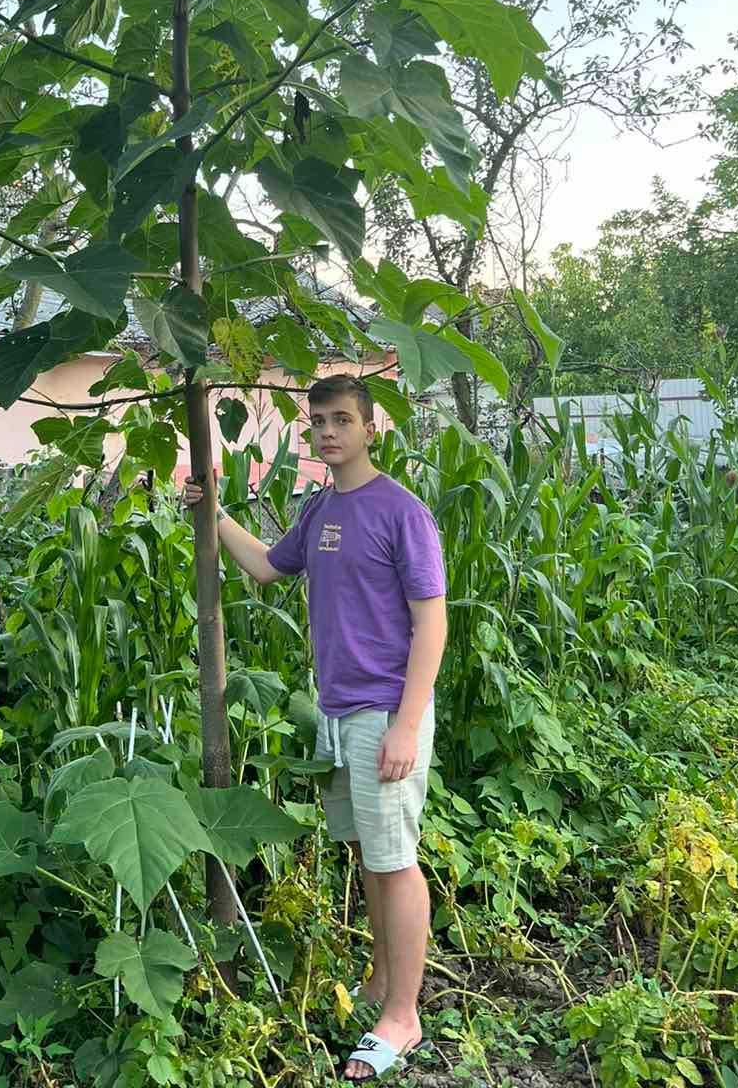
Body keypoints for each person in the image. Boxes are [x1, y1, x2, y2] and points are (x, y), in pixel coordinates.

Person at [185, 374, 447, 1081]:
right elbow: (269, 569)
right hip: (339, 713)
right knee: (369, 854)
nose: (327, 432)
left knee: (394, 862)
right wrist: (212, 511)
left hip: (386, 713)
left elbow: (433, 624)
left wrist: (406, 723)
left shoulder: (401, 512)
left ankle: (403, 1016)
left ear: (371, 429)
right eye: (318, 421)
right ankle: (380, 984)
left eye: (341, 420)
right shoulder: (323, 506)